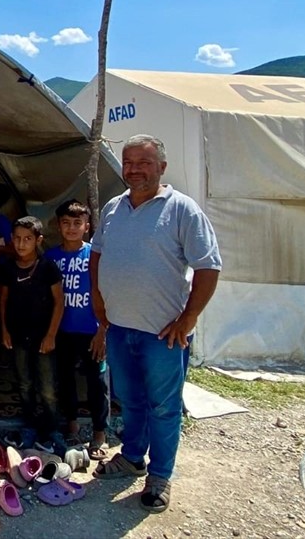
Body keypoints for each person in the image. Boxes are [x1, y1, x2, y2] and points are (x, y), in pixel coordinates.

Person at [90, 134, 221, 514]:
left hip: (163, 335)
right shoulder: (115, 207)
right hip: (120, 328)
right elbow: (97, 254)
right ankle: (132, 457)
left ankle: (160, 477)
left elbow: (208, 265)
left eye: (143, 162)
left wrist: (189, 317)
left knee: (163, 407)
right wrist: (99, 300)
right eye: (128, 162)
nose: (133, 169)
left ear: (161, 167)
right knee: (130, 401)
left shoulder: (182, 210)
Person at [44, 200, 110, 458]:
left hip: (91, 331)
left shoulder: (94, 256)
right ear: (58, 226)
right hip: (61, 331)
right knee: (65, 379)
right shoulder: (51, 257)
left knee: (97, 382)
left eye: (77, 223)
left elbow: (106, 293)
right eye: (66, 223)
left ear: (87, 226)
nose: (71, 228)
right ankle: (71, 425)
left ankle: (99, 432)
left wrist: (103, 330)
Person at [0, 216, 65, 450]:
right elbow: (4, 300)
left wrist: (51, 335)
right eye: (16, 238)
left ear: (38, 240)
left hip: (42, 335)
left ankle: (52, 429)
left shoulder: (47, 267)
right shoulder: (8, 267)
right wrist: (4, 329)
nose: (21, 244)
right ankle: (29, 425)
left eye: (27, 239)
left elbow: (59, 302)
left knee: (47, 386)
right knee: (24, 382)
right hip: (18, 334)